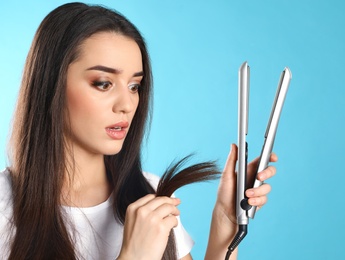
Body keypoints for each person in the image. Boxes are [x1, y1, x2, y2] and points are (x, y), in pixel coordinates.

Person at [0, 2, 277, 259]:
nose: (127, 105)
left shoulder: (150, 195)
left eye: (135, 86)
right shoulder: (4, 206)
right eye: (103, 83)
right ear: (51, 85)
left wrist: (225, 221)